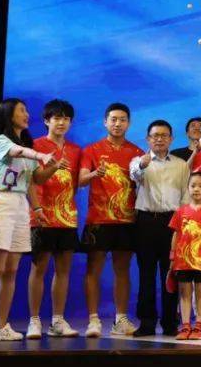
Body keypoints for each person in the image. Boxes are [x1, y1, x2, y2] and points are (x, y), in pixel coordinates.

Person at [79, 102, 146, 337]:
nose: (118, 124)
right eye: (113, 119)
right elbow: (81, 180)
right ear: (105, 122)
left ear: (129, 123)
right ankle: (93, 320)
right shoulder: (92, 150)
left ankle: (121, 320)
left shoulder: (137, 153)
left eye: (122, 120)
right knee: (93, 270)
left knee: (122, 270)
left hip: (126, 221)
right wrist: (94, 173)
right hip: (98, 220)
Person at [0, 99, 57, 341]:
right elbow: (17, 152)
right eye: (22, 110)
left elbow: (34, 180)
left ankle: (1, 325)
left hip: (21, 205)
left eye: (26, 110)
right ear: (8, 114)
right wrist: (40, 154)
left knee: (11, 269)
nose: (27, 114)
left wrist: (37, 207)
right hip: (1, 202)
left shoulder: (26, 144)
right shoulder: (0, 141)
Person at [26, 99, 82, 339]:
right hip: (42, 217)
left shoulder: (76, 150)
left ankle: (57, 321)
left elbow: (75, 184)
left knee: (63, 270)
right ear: (46, 120)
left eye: (66, 118)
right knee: (39, 268)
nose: (62, 122)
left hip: (67, 218)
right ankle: (34, 321)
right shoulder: (35, 146)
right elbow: (31, 180)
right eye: (57, 118)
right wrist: (38, 208)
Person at [129, 120, 190, 337]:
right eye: (155, 135)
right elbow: (134, 175)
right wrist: (142, 165)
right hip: (146, 222)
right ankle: (146, 322)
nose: (159, 139)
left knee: (170, 274)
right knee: (146, 273)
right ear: (148, 139)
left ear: (171, 139)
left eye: (164, 135)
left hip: (172, 223)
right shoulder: (139, 161)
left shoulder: (181, 165)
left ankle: (170, 322)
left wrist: (182, 224)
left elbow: (186, 195)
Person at [169, 172, 201, 340]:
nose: (196, 189)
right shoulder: (180, 211)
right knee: (184, 293)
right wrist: (172, 257)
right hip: (182, 261)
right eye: (193, 186)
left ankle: (199, 325)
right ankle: (185, 326)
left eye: (200, 186)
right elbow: (176, 234)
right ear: (188, 188)